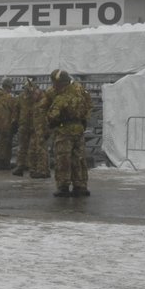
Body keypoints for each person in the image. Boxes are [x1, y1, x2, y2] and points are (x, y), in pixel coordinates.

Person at [44, 69, 92, 197]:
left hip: (64, 131)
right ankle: (80, 185)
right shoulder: (80, 91)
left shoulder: (62, 97)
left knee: (63, 159)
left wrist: (51, 123)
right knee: (79, 159)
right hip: (79, 129)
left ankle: (63, 186)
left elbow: (52, 116)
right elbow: (88, 106)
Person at [15, 78, 49, 179]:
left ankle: (42, 170)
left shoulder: (42, 100)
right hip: (27, 125)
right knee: (28, 148)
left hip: (38, 128)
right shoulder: (23, 97)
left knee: (39, 149)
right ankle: (30, 168)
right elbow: (17, 109)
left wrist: (47, 129)